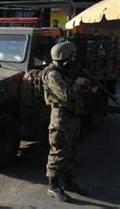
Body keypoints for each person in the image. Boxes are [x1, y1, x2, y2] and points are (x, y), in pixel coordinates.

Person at [42, 41, 90, 202]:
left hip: (73, 115)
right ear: (65, 56)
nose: (75, 58)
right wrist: (77, 84)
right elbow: (67, 96)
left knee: (72, 150)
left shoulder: (67, 69)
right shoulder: (53, 74)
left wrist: (85, 86)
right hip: (61, 118)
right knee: (58, 151)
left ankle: (68, 182)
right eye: (73, 55)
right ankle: (53, 186)